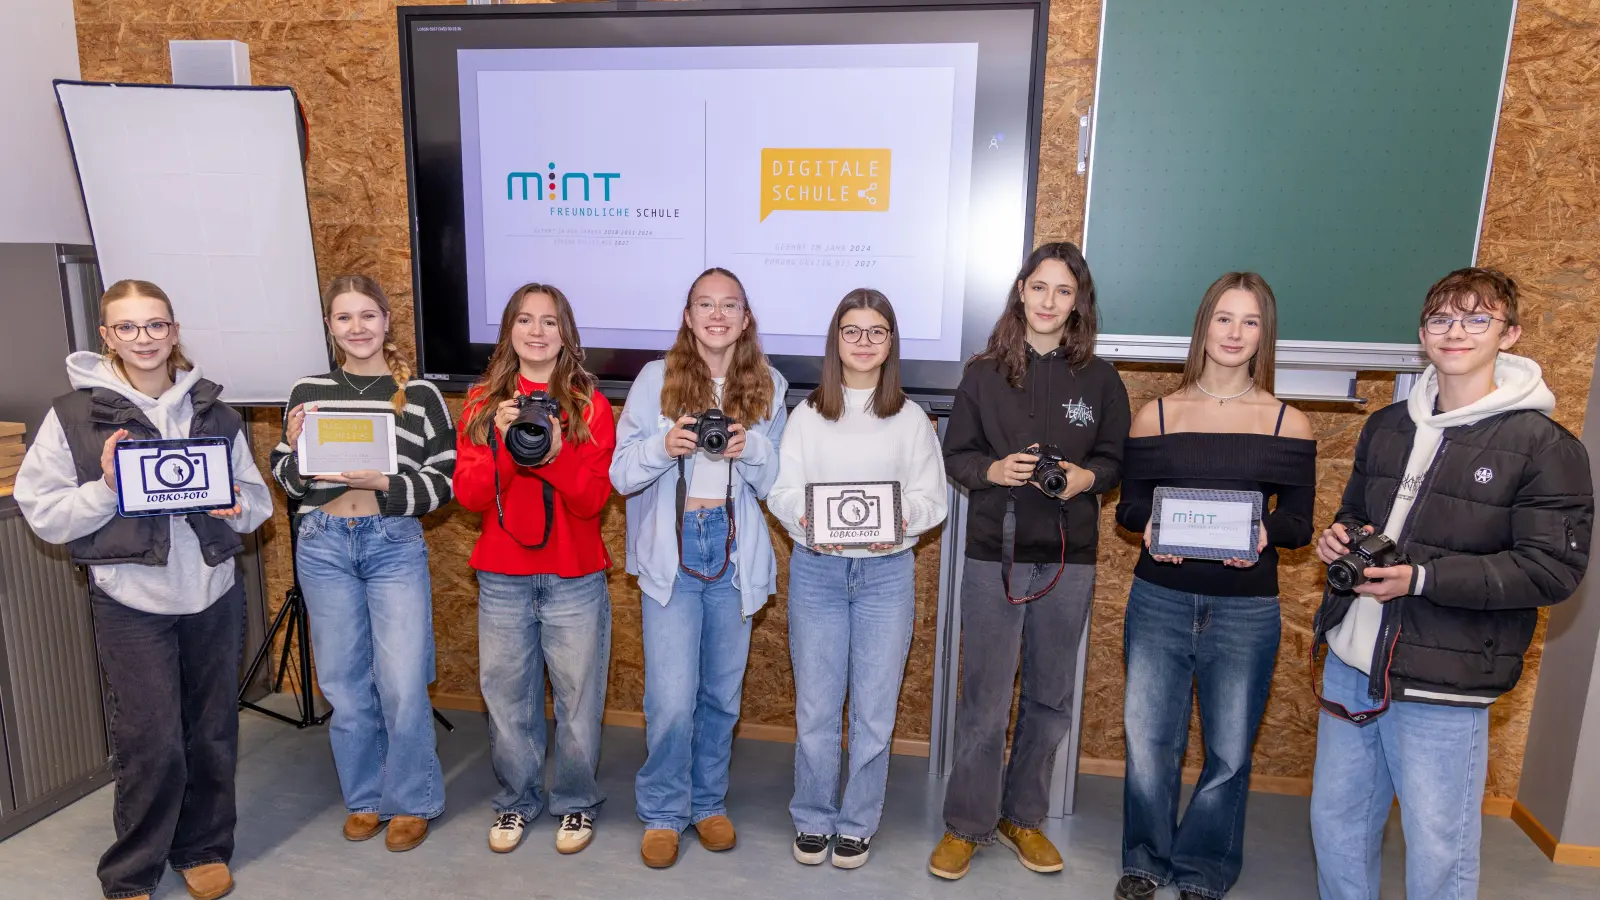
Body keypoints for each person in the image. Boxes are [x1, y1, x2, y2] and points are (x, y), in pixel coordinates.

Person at [1309, 267, 1592, 900]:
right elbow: (1356, 514)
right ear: (1423, 333)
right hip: (1354, 661)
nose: (1455, 331)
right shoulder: (1387, 426)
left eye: (1476, 318)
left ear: (1509, 333)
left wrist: (1423, 578)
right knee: (1338, 826)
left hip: (1444, 679)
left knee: (1438, 847)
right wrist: (1338, 538)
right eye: (1441, 318)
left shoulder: (1544, 446)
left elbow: (1552, 570)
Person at [15, 279, 272, 900]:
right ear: (106, 336)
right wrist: (106, 486)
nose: (144, 339)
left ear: (174, 331)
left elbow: (256, 501)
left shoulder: (215, 411)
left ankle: (203, 846)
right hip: (130, 601)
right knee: (151, 740)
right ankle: (132, 869)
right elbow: (42, 512)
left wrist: (233, 507)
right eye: (127, 328)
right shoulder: (72, 415)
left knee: (212, 732)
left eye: (156, 325)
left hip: (212, 593)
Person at [929, 242, 1132, 880]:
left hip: (1070, 559)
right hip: (995, 554)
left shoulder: (1100, 380)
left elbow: (1116, 462)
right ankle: (968, 824)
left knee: (1049, 697)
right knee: (985, 698)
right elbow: (955, 456)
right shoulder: (983, 374)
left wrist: (1085, 479)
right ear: (1021, 291)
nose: (1049, 301)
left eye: (1063, 291)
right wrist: (992, 470)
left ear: (1079, 302)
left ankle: (1024, 818)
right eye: (1039, 287)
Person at [1112, 273, 1315, 900]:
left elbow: (1299, 523)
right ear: (1204, 326)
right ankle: (1145, 862)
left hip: (1246, 609)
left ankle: (1203, 870)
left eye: (1249, 322)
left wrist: (1260, 536)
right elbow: (1128, 509)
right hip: (1160, 601)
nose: (1234, 333)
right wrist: (1148, 527)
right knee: (1150, 744)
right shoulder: (1158, 415)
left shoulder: (1289, 423)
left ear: (1264, 334)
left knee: (1228, 751)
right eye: (1224, 318)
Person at [269, 275, 456, 852]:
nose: (358, 328)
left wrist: (387, 484)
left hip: (392, 541)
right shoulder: (308, 390)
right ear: (330, 326)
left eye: (368, 316)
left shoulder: (420, 394)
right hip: (323, 543)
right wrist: (297, 454)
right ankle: (366, 798)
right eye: (345, 318)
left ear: (387, 321)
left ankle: (412, 800)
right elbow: (284, 473)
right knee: (344, 684)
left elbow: (444, 479)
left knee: (402, 681)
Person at [611, 266, 788, 869]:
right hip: (674, 548)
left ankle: (707, 803)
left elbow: (775, 484)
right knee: (669, 697)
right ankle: (663, 810)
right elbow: (620, 473)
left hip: (733, 552)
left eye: (729, 305)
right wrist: (666, 447)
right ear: (687, 317)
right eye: (705, 305)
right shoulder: (654, 380)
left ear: (745, 318)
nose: (717, 316)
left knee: (721, 694)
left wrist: (753, 447)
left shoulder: (770, 384)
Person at [768, 289, 949, 870]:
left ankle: (857, 821)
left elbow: (933, 500)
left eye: (876, 331)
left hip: (886, 575)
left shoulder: (912, 417)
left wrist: (899, 520)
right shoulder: (806, 415)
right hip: (818, 572)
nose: (864, 342)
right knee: (818, 707)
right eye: (852, 330)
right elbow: (782, 490)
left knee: (874, 710)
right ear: (835, 340)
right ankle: (813, 817)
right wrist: (811, 523)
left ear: (890, 342)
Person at [452, 283, 616, 856]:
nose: (538, 331)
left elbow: (592, 500)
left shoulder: (587, 403)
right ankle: (517, 800)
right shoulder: (480, 402)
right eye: (526, 320)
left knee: (578, 695)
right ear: (509, 331)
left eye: (550, 322)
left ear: (565, 333)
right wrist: (502, 444)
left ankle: (575, 803)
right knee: (506, 694)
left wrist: (552, 454)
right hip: (502, 574)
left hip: (574, 573)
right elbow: (470, 496)